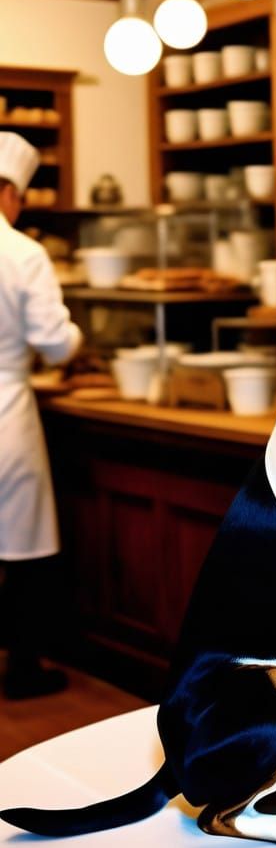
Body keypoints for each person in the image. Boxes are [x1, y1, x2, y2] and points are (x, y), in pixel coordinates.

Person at [0, 132, 82, 699]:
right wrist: (76, 339)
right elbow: (53, 343)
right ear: (10, 192)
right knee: (22, 546)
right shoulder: (22, 254)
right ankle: (23, 670)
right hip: (7, 410)